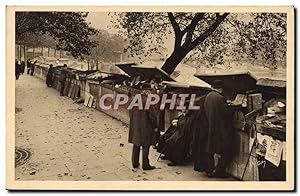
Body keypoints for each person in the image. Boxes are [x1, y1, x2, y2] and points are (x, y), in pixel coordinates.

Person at [202, 79, 234, 178]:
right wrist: (232, 108)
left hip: (210, 126)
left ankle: (209, 170)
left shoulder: (208, 96)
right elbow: (226, 113)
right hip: (221, 129)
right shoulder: (220, 98)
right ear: (221, 88)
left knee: (210, 150)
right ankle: (220, 171)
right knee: (225, 150)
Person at [128, 87, 158, 170]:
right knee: (146, 145)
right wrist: (155, 126)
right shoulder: (147, 101)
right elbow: (152, 116)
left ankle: (135, 163)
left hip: (136, 126)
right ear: (147, 92)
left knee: (136, 144)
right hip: (145, 126)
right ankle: (145, 165)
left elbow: (130, 112)